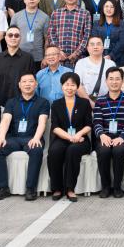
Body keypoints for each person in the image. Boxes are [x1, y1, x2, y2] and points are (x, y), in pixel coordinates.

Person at [0, 73, 49, 201]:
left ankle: (31, 188)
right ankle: (3, 188)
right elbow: (5, 120)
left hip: (32, 137)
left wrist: (36, 138)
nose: (27, 84)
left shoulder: (43, 102)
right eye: (24, 81)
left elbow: (42, 122)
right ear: (19, 85)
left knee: (36, 150)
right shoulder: (11, 102)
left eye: (31, 81)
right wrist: (1, 138)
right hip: (14, 138)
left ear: (36, 84)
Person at [48, 72, 94, 202]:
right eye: (66, 84)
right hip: (62, 138)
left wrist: (78, 135)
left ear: (77, 87)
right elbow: (55, 127)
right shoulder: (56, 104)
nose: (69, 88)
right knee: (54, 151)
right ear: (62, 86)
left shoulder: (84, 103)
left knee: (73, 150)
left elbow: (89, 125)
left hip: (81, 139)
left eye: (73, 85)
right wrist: (70, 137)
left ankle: (70, 188)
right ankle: (57, 188)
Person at [90, 67, 124, 198]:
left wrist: (122, 137)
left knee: (118, 151)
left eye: (117, 79)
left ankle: (117, 187)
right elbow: (97, 122)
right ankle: (105, 187)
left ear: (122, 81)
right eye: (111, 79)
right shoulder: (100, 100)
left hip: (122, 137)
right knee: (103, 151)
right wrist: (101, 135)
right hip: (104, 136)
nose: (114, 82)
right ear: (106, 81)